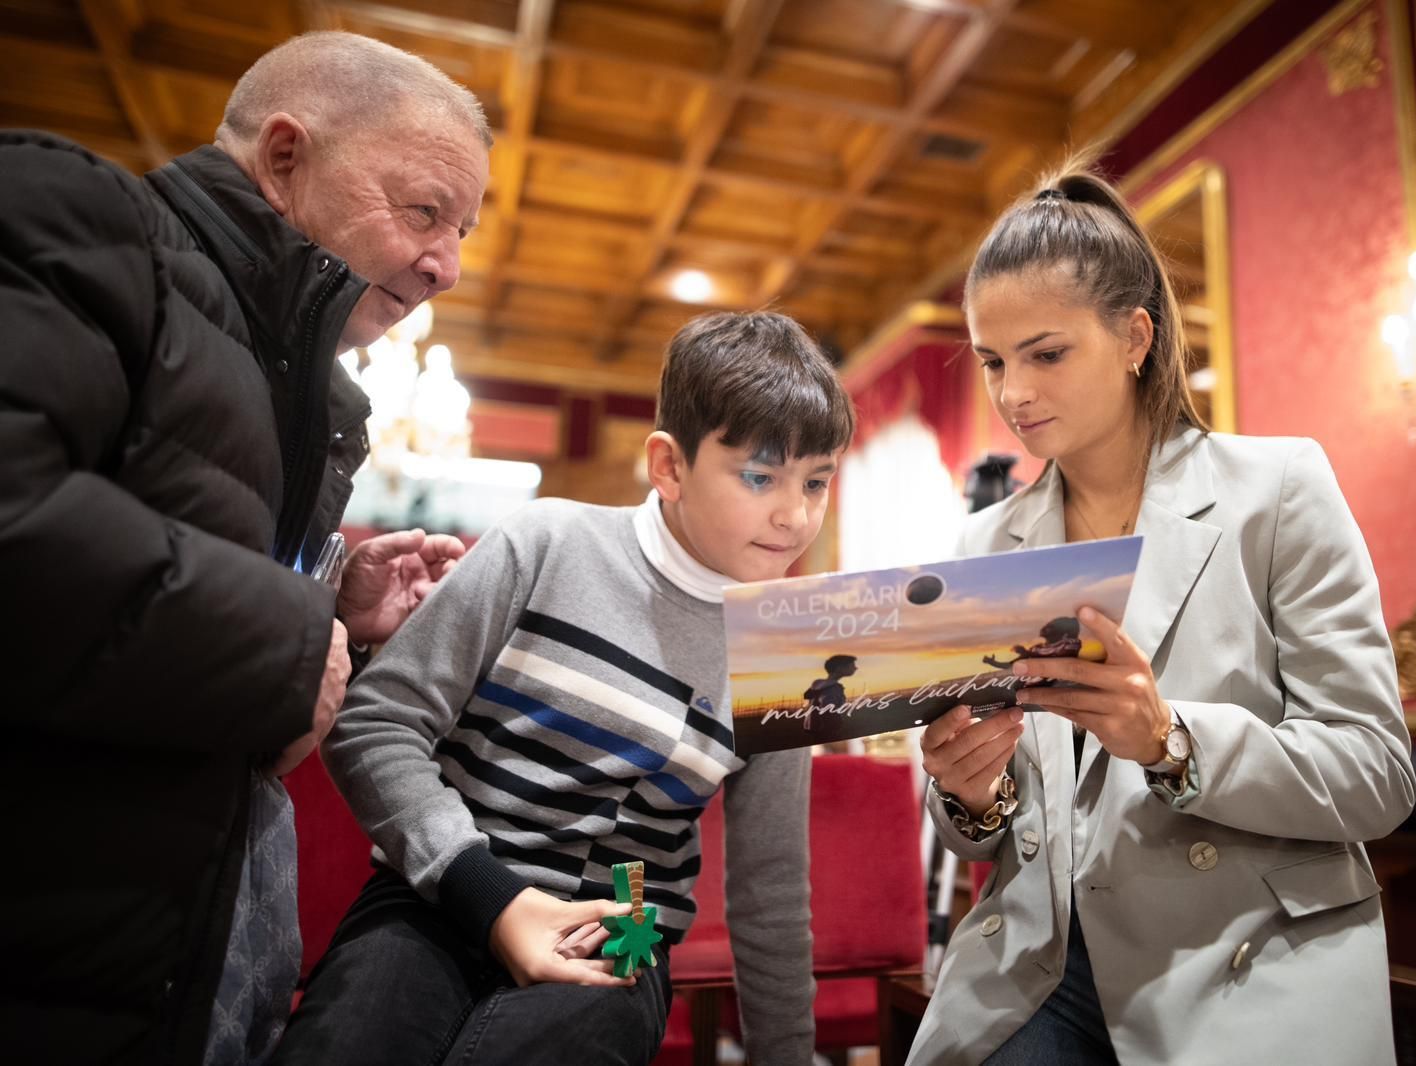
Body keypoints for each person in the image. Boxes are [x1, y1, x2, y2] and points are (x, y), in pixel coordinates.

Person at [0, 31, 485, 1063]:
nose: (448, 265)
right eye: (425, 211)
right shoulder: (73, 218)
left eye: (463, 231)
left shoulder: (297, 387)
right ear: (282, 157)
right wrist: (293, 634)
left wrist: (333, 604)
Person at [911, 165, 1416, 1066]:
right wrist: (968, 791)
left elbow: (1376, 775)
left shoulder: (1278, 490)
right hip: (1043, 967)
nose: (1012, 392)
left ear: (1136, 335)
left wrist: (1172, 739)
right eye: (993, 361)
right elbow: (974, 834)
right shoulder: (983, 547)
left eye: (1046, 353)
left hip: (1242, 955)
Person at [272, 310, 853, 1066]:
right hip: (440, 899)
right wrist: (492, 899)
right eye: (759, 476)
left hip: (622, 934)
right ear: (669, 466)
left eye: (816, 482)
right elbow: (377, 725)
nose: (796, 514)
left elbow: (770, 891)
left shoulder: (785, 652)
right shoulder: (545, 544)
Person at [802, 653, 858, 731]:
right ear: (840, 668)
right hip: (827, 731)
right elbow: (828, 712)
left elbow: (807, 699)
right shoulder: (834, 688)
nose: (856, 668)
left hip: (812, 727)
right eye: (852, 666)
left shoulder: (817, 683)